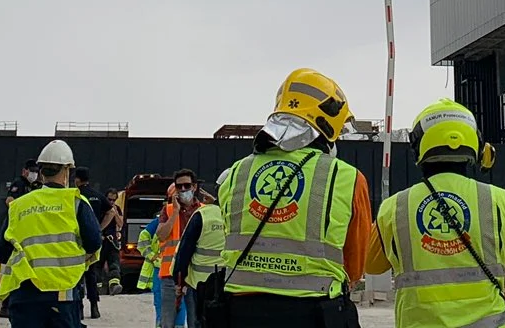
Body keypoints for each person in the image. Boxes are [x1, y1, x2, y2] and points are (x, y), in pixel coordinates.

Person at [366, 99, 505, 328]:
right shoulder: (499, 200)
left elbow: (372, 266)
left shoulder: (394, 207)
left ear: (418, 148)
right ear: (477, 145)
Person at [211, 68, 381, 328]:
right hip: (316, 314)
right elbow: (355, 268)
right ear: (328, 122)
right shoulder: (346, 178)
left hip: (239, 312)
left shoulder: (234, 174)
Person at [0, 139, 103, 328]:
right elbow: (94, 242)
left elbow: (2, 253)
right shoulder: (76, 203)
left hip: (24, 296)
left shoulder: (18, 206)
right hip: (63, 297)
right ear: (67, 171)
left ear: (41, 172)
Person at [171, 184, 228, 328]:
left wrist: (179, 278)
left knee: (199, 321)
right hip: (229, 281)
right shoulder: (234, 214)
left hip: (199, 282)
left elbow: (185, 250)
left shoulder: (203, 214)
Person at [153, 170, 201, 328]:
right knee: (168, 323)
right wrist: (175, 212)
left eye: (187, 185)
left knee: (197, 320)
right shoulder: (167, 210)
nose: (183, 189)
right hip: (171, 275)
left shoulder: (203, 209)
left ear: (194, 187)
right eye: (179, 186)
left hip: (196, 275)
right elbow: (161, 235)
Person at [0, 163, 47, 266]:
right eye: (32, 171)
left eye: (36, 172)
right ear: (24, 171)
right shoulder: (19, 183)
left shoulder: (35, 186)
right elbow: (9, 201)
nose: (34, 174)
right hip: (16, 219)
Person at [77, 169, 108, 319]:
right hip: (93, 239)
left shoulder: (76, 196)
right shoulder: (97, 195)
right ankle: (94, 307)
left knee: (77, 274)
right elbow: (112, 211)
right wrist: (100, 228)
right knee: (91, 274)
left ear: (77, 179)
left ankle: (79, 308)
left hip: (78, 240)